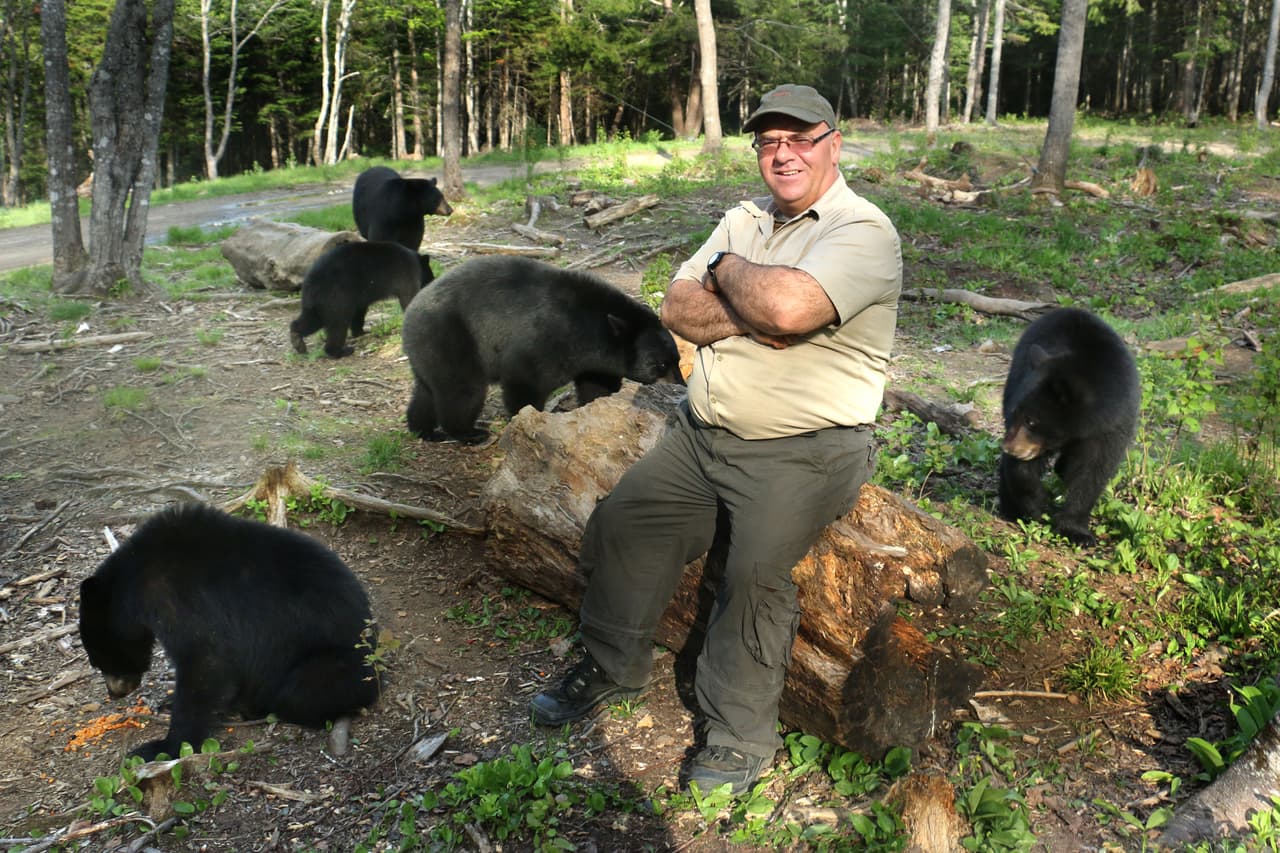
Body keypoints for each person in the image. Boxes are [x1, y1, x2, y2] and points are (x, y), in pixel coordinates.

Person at [530, 83, 903, 795]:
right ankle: (611, 663)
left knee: (753, 575)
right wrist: (756, 309)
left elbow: (790, 308)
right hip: (701, 436)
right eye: (770, 142)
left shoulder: (863, 230)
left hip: (807, 448)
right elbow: (676, 307)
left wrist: (726, 273)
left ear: (833, 145)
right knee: (624, 523)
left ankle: (737, 736)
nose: (784, 155)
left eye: (800, 139)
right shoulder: (743, 218)